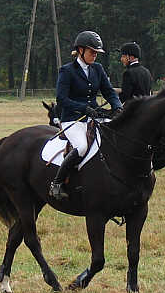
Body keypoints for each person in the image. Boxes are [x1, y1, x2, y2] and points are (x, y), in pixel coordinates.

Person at [50, 31, 123, 200]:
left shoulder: (97, 69)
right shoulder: (67, 71)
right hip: (72, 119)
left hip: (94, 116)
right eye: (92, 52)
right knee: (82, 147)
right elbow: (61, 99)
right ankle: (57, 183)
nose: (95, 55)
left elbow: (109, 91)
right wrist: (83, 108)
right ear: (81, 50)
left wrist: (117, 106)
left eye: (97, 53)